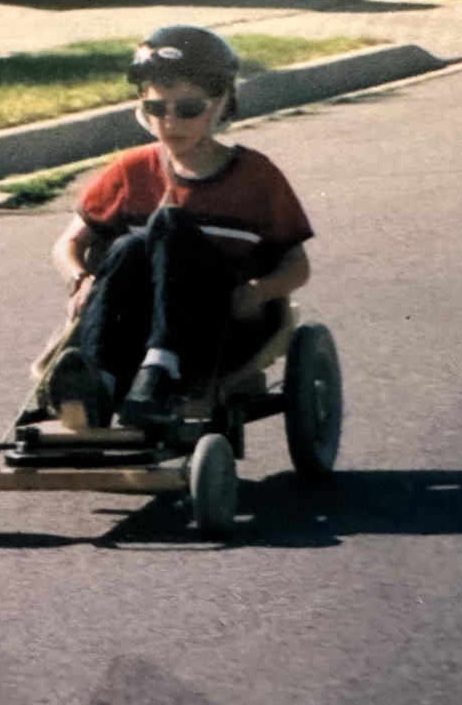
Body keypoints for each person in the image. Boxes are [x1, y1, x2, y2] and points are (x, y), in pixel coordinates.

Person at [48, 25, 314, 429]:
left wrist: (260, 291)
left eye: (188, 109)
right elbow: (68, 244)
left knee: (169, 222)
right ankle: (100, 380)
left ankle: (163, 368)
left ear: (221, 103)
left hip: (219, 325)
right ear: (143, 108)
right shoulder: (130, 170)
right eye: (158, 109)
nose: (171, 122)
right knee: (126, 249)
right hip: (137, 329)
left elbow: (298, 266)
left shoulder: (255, 176)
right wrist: (80, 278)